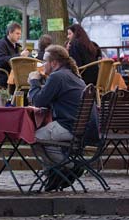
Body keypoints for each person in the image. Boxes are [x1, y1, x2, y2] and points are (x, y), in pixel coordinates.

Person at [28, 44, 98, 191]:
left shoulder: (57, 76)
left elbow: (38, 101)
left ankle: (69, 168)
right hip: (84, 128)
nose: (42, 64)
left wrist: (34, 81)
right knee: (45, 137)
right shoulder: (71, 75)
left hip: (70, 126)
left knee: (34, 137)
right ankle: (56, 175)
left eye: (44, 61)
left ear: (54, 63)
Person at [0, 21, 29, 87]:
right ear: (10, 33)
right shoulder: (1, 44)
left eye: (20, 34)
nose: (19, 36)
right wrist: (20, 55)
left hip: (12, 74)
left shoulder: (15, 45)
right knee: (26, 81)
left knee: (30, 78)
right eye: (17, 33)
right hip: (1, 76)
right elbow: (1, 61)